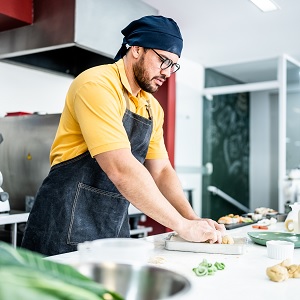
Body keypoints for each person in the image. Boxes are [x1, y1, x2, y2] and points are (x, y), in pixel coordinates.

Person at [21, 15, 226, 256]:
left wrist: (192, 219)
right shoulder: (97, 84)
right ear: (137, 49)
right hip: (61, 222)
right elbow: (120, 167)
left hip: (112, 225)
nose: (168, 73)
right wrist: (181, 226)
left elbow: (161, 171)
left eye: (173, 65)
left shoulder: (152, 108)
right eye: (164, 61)